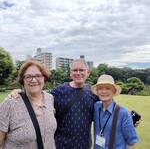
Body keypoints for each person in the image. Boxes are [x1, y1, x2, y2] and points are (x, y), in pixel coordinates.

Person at [7, 59, 141, 149]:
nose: (78, 73)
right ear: (70, 73)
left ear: (88, 73)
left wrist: (128, 118)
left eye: (81, 70)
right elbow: (37, 95)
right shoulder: (58, 91)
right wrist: (19, 91)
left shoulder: (93, 93)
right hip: (60, 145)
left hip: (84, 145)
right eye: (75, 70)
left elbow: (108, 107)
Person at [0, 60, 57, 149]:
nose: (33, 80)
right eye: (28, 76)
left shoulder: (50, 98)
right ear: (23, 80)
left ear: (44, 79)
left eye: (38, 76)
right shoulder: (10, 104)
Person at [92, 74, 138, 149]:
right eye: (100, 88)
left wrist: (132, 118)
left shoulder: (124, 113)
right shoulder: (95, 107)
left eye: (108, 88)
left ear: (114, 91)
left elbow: (131, 143)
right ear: (97, 91)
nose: (104, 91)